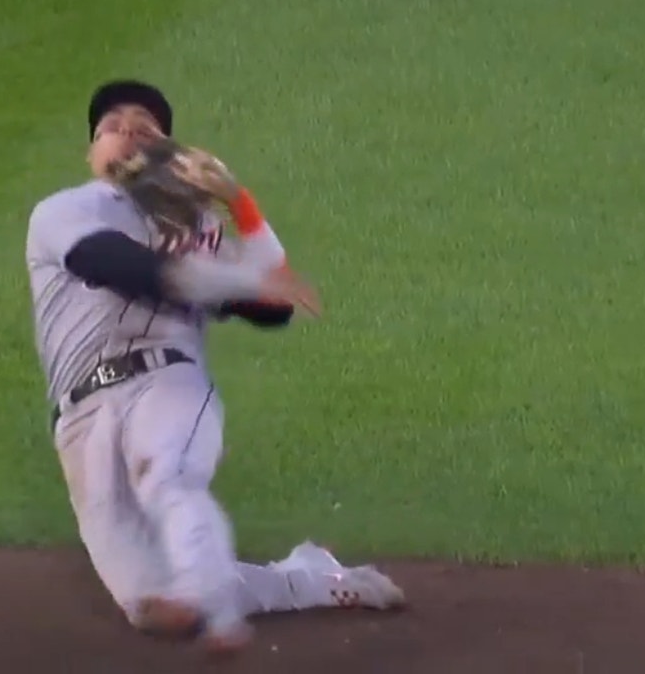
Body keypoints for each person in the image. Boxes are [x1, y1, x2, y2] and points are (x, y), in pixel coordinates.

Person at [24, 79, 404, 654]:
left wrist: (239, 202)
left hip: (168, 384)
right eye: (112, 127)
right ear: (92, 152)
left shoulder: (198, 227)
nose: (128, 134)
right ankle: (306, 578)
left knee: (169, 477)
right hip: (82, 420)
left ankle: (225, 623)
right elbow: (122, 266)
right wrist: (235, 280)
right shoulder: (65, 212)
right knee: (151, 606)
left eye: (146, 129)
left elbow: (273, 307)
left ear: (170, 154)